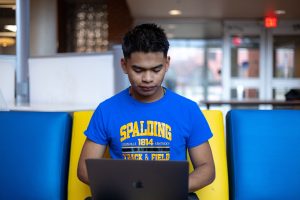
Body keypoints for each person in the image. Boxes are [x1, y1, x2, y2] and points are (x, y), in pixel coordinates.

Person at [77, 23, 215, 200]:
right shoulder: (106, 110)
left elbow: (207, 168)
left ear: (167, 64)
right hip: (122, 196)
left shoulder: (188, 110)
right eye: (138, 70)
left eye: (156, 70)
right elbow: (83, 170)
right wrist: (130, 190)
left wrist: (166, 188)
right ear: (124, 65)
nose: (148, 79)